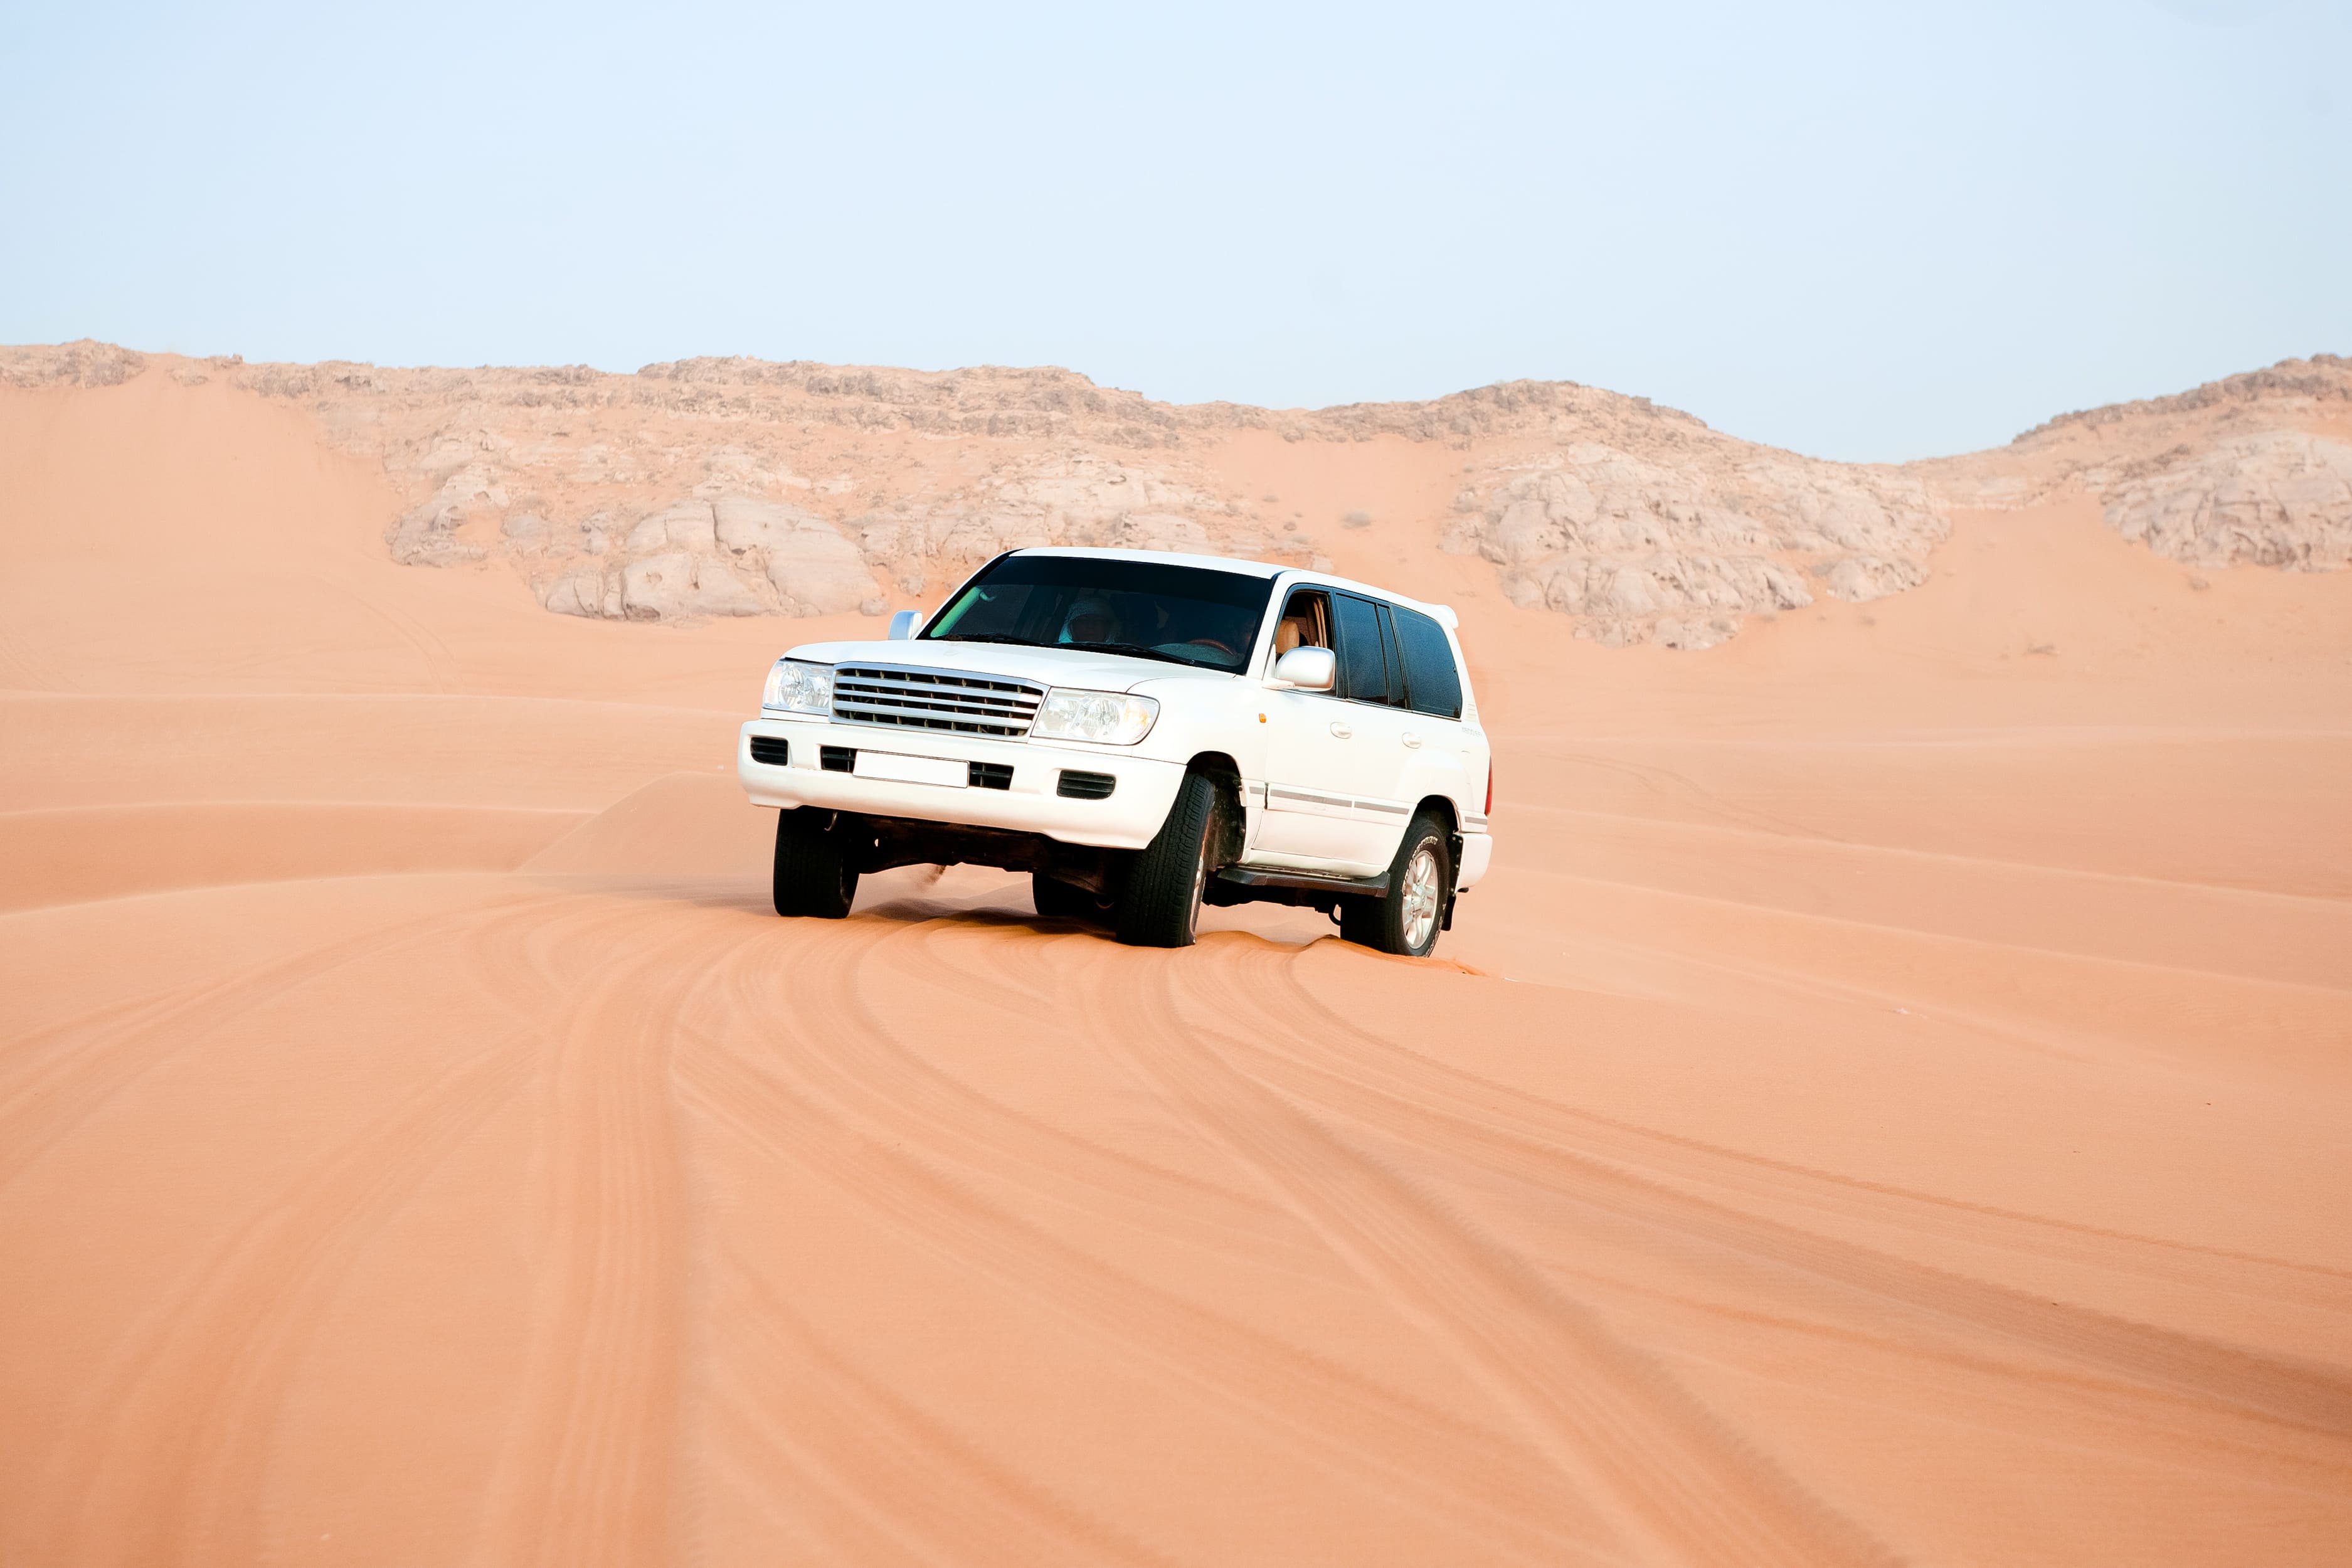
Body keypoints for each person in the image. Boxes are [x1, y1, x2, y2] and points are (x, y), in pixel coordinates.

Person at [1057, 595, 1122, 645]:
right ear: (1071, 627)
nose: (1090, 625)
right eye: (1083, 620)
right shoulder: (1055, 657)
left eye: (1099, 620)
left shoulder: (1121, 660)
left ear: (1109, 628)